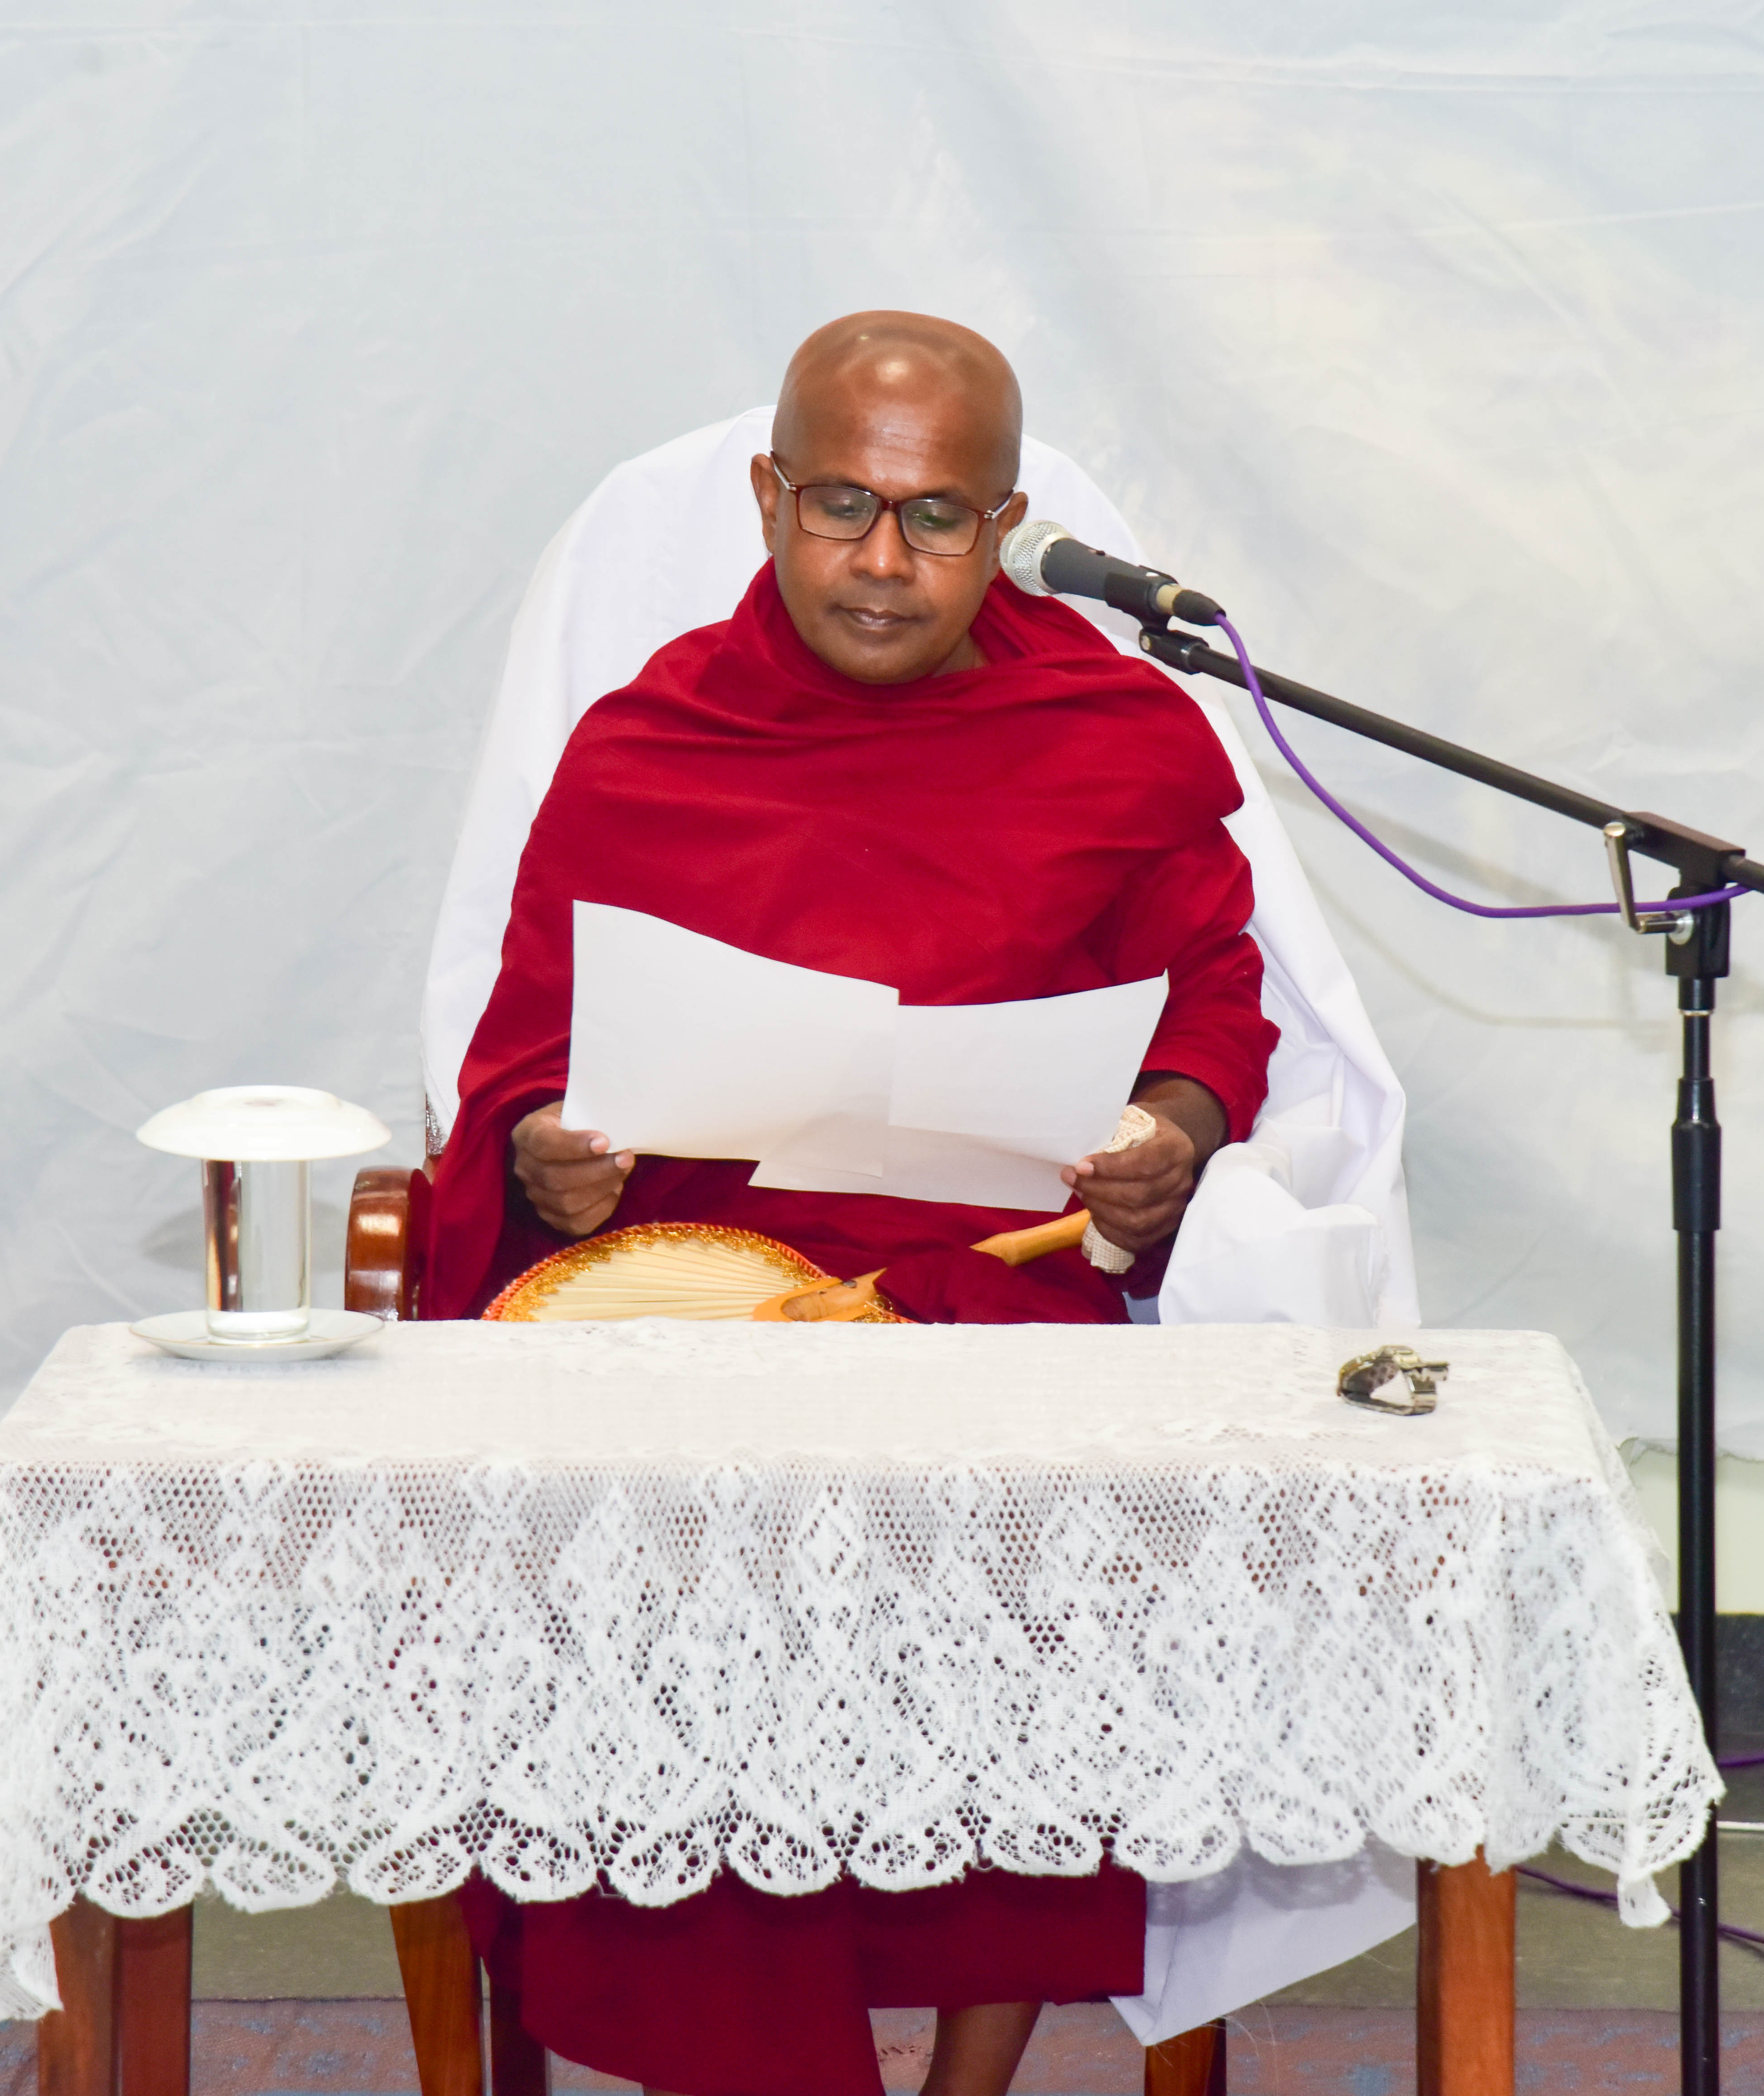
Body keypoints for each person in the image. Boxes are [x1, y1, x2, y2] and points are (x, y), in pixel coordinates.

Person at [404, 312, 1281, 2096]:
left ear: (1004, 525)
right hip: (696, 1302)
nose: (884, 561)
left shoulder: (1108, 731)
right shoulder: (650, 744)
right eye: (840, 506)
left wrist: (1173, 1135)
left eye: (938, 517)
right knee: (686, 1574)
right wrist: (546, 1154)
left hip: (984, 1286)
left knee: (1035, 1548)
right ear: (767, 497)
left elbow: (1213, 1003)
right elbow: (519, 1069)